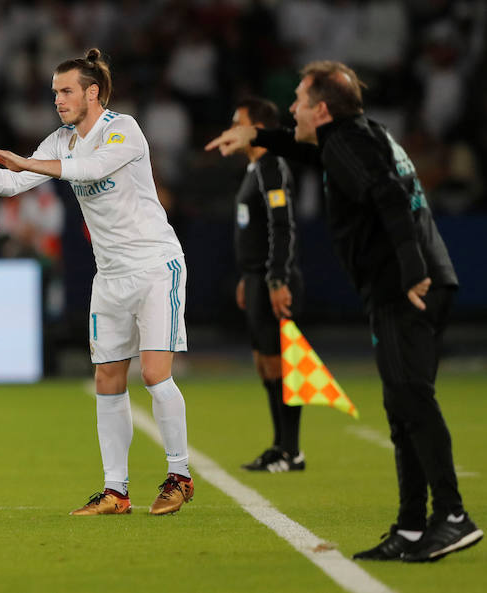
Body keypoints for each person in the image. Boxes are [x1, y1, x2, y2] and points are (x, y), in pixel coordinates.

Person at [206, 60, 482, 562]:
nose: (293, 109)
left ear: (323, 109)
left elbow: (391, 197)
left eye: (299, 101)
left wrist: (413, 267)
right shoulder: (354, 137)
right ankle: (413, 526)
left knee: (412, 401)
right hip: (404, 285)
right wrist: (256, 133)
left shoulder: (349, 143)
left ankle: (453, 515)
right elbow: (303, 147)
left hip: (409, 287)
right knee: (401, 408)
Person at [0, 48, 193, 516]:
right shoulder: (60, 140)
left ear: (92, 92)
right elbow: (15, 183)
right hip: (111, 275)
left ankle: (179, 475)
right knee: (107, 378)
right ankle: (116, 491)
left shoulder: (124, 129)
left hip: (156, 265)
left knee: (156, 375)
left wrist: (28, 164)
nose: (57, 100)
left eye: (66, 91)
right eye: (54, 92)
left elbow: (90, 169)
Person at [228, 97, 305, 473]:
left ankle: (292, 450)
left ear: (256, 126)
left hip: (274, 279)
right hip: (257, 278)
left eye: (238, 120)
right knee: (266, 365)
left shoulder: (272, 165)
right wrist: (249, 276)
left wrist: (276, 278)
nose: (232, 126)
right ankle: (280, 446)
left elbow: (282, 224)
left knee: (283, 364)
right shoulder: (255, 169)